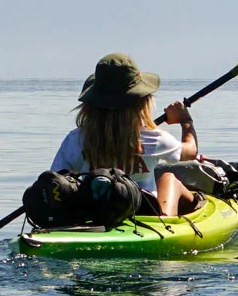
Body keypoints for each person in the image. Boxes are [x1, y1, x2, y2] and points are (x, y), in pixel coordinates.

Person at [50, 52, 200, 217]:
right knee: (168, 178)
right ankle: (184, 213)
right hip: (146, 216)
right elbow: (190, 151)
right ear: (142, 102)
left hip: (97, 213)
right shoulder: (154, 138)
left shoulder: (76, 139)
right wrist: (185, 120)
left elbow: (57, 180)